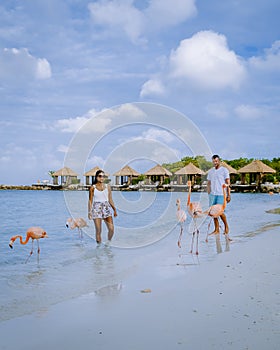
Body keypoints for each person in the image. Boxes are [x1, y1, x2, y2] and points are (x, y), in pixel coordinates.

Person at [88, 169, 117, 245]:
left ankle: (108, 243)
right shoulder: (92, 188)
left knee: (111, 229)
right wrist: (89, 212)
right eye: (100, 176)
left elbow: (110, 199)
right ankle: (98, 248)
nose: (102, 178)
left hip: (106, 208)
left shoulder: (108, 187)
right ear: (96, 177)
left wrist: (114, 210)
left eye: (103, 176)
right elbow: (90, 200)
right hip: (96, 208)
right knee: (98, 230)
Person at [207, 154, 231, 235]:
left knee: (220, 212)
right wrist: (209, 194)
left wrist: (228, 195)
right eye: (213, 161)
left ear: (219, 161)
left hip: (221, 194)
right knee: (214, 213)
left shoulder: (224, 170)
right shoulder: (210, 171)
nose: (215, 163)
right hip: (212, 195)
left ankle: (226, 226)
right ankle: (216, 229)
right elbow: (208, 183)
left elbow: (228, 183)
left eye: (216, 161)